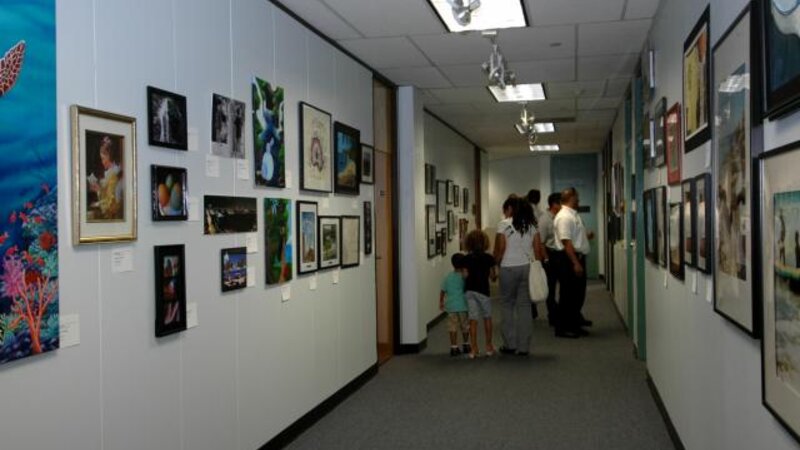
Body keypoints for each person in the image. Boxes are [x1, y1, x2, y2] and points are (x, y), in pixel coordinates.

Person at [494, 196, 543, 356]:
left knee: (507, 305)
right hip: (526, 268)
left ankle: (510, 344)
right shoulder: (532, 226)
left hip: (508, 268)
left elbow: (500, 249)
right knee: (524, 306)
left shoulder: (504, 225)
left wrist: (496, 266)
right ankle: (523, 347)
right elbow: (538, 251)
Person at [553, 187, 594, 338]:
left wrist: (585, 237)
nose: (579, 200)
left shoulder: (573, 215)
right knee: (568, 295)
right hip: (568, 259)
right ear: (570, 198)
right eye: (577, 198)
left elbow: (573, 239)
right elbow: (566, 242)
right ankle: (562, 328)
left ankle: (574, 324)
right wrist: (576, 263)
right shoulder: (564, 217)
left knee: (577, 295)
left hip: (575, 257)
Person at [463, 229, 497, 359]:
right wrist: (492, 277)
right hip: (483, 291)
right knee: (487, 317)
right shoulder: (489, 258)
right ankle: (488, 346)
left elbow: (465, 275)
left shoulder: (466, 259)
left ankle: (474, 348)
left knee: (473, 319)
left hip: (470, 291)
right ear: (484, 243)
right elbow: (493, 276)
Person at [536, 193, 562, 326]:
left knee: (562, 287)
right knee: (550, 288)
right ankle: (553, 316)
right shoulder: (544, 220)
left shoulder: (559, 217)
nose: (562, 206)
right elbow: (541, 242)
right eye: (560, 203)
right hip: (550, 256)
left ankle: (561, 314)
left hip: (560, 255)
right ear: (554, 204)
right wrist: (546, 259)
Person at [439, 253, 471, 357]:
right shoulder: (464, 277)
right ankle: (466, 345)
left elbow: (443, 291)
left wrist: (441, 302)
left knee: (452, 327)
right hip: (463, 306)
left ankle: (454, 347)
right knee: (465, 326)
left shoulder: (448, 277)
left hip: (451, 306)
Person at [88, 135, 123, 220]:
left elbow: (110, 205)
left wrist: (98, 190)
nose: (102, 162)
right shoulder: (111, 173)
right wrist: (99, 189)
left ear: (110, 157)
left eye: (103, 159)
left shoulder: (114, 175)